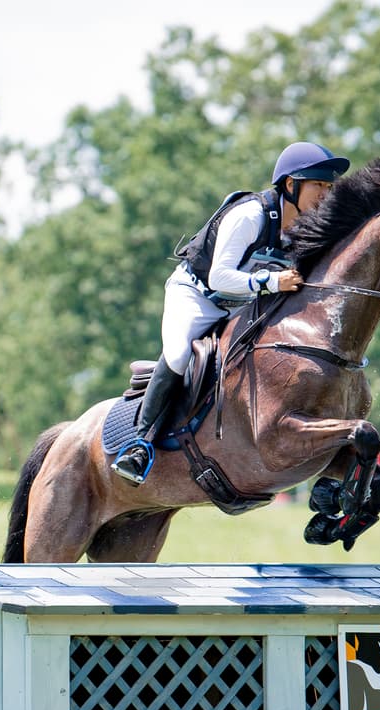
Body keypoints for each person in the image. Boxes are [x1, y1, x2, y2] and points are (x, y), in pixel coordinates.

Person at [112, 141, 350, 484]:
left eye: (329, 186)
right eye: (318, 185)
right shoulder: (251, 215)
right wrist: (270, 281)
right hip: (196, 295)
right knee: (179, 355)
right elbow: (219, 277)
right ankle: (139, 445)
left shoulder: (308, 230)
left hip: (241, 309)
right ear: (290, 185)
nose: (325, 194)